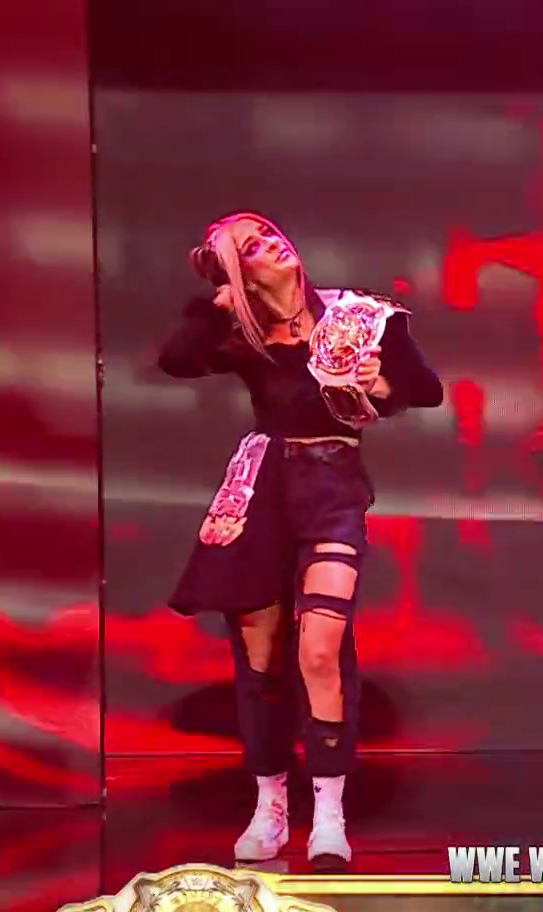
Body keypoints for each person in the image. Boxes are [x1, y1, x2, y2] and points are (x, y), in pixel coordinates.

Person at [157, 211, 445, 871]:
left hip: (333, 488)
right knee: (260, 661)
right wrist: (216, 304)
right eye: (250, 248)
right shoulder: (243, 332)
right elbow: (176, 360)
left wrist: (377, 384)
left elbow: (425, 390)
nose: (271, 243)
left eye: (268, 233)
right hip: (262, 492)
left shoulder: (360, 317)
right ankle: (269, 805)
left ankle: (330, 812)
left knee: (320, 649)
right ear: (242, 275)